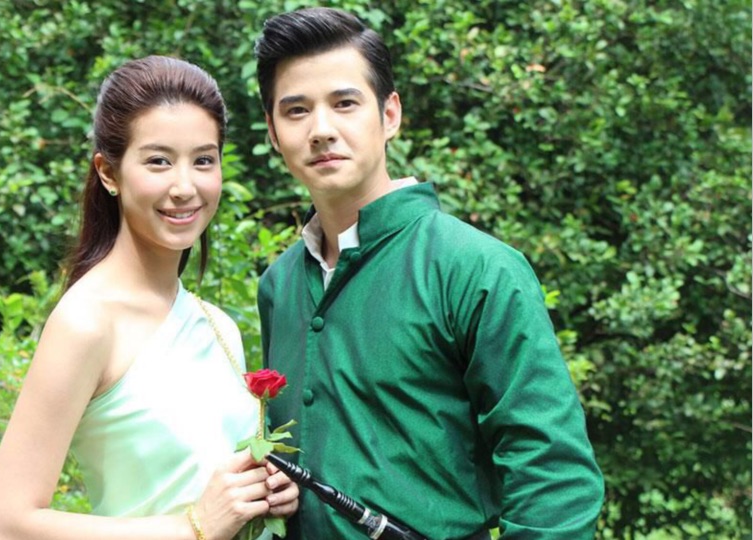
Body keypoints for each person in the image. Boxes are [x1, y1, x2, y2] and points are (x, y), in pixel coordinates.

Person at [253, 8, 604, 539]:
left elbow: (554, 475)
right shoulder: (278, 286)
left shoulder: (477, 269)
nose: (321, 130)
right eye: (297, 111)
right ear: (274, 133)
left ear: (390, 114)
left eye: (345, 103)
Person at [0, 55, 298, 540]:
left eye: (203, 160)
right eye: (158, 161)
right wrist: (193, 526)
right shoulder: (88, 321)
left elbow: (209, 485)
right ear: (109, 173)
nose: (185, 187)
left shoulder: (217, 325)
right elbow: (4, 525)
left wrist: (264, 493)